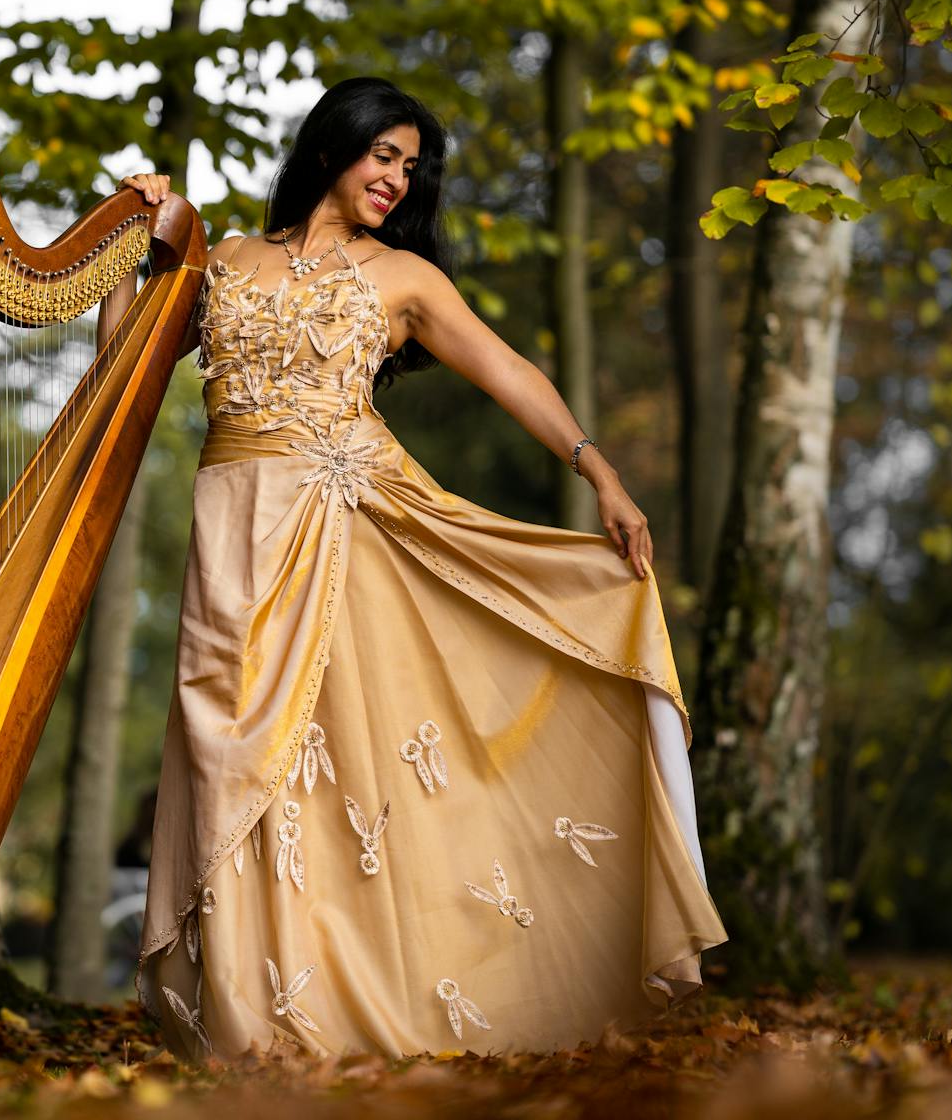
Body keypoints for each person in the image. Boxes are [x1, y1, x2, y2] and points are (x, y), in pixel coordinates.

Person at [99, 76, 727, 1060]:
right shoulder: (221, 260)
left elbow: (510, 368)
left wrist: (597, 466)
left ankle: (329, 1011)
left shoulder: (405, 279)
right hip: (227, 545)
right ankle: (246, 1011)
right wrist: (127, 254)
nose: (398, 177)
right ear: (329, 147)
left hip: (343, 536)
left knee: (332, 774)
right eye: (383, 154)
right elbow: (121, 373)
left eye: (410, 164)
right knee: (225, 762)